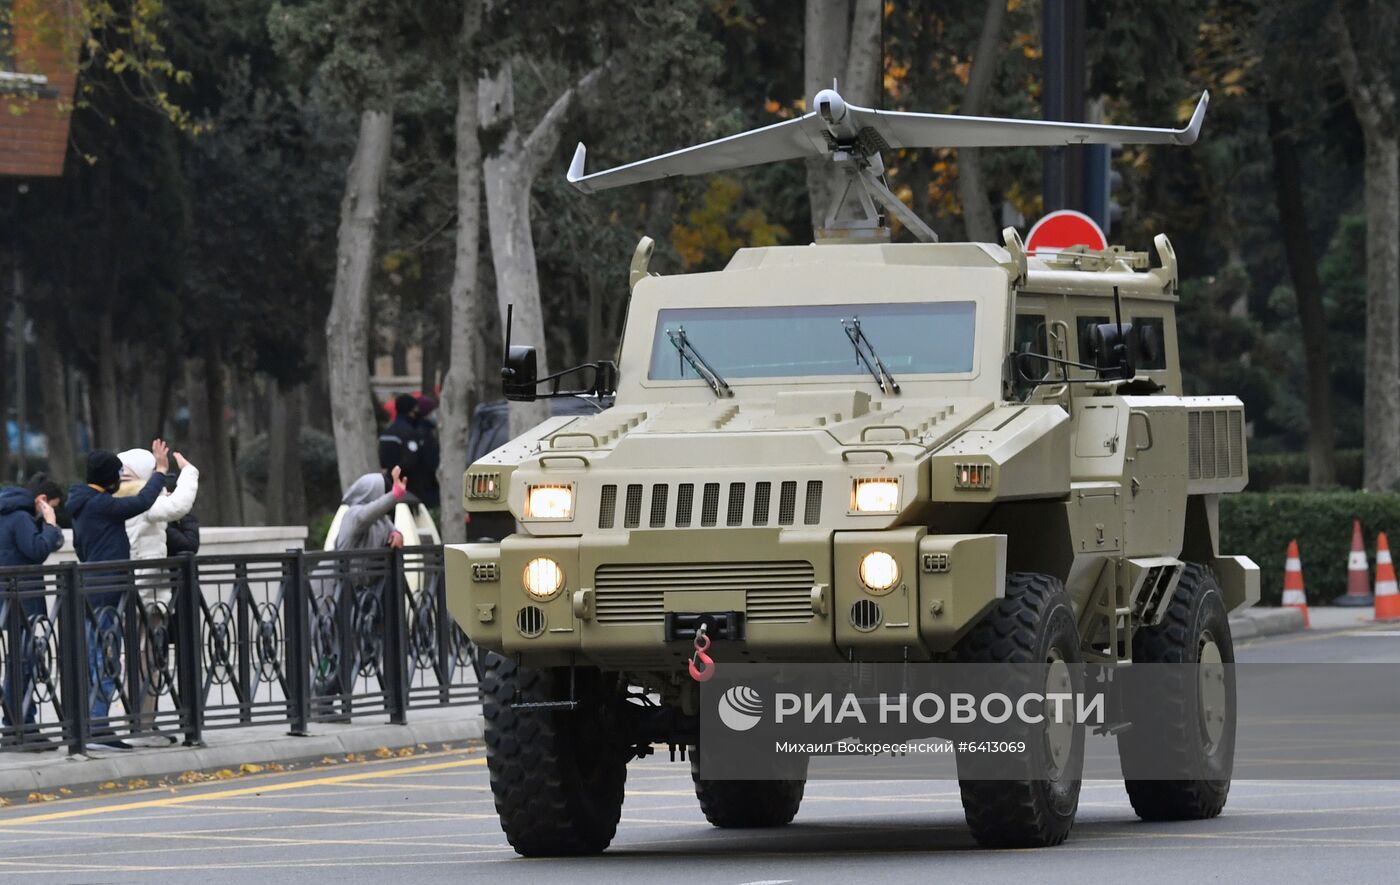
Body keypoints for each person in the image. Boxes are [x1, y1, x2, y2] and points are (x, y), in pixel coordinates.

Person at [68, 442, 169, 749]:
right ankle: (98, 724)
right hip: (107, 591)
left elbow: (80, 548)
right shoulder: (100, 504)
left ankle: (90, 723)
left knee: (96, 656)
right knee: (107, 657)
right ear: (108, 478)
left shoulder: (81, 505)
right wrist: (161, 471)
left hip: (91, 588)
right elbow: (140, 502)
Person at [115, 448, 199, 746]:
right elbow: (179, 506)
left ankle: (137, 723)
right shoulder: (143, 498)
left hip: (128, 589)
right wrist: (189, 471)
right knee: (148, 659)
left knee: (138, 658)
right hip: (147, 592)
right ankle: (143, 726)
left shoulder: (118, 496)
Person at [0, 473, 65, 749]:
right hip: (21, 598)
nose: (51, 511)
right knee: (23, 662)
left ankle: (18, 724)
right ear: (41, 500)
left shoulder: (7, 512)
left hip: (8, 597)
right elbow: (36, 549)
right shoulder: (21, 518)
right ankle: (21, 726)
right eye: (52, 505)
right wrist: (50, 525)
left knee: (19, 660)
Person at [378, 394, 440, 507]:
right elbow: (410, 459)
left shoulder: (386, 433)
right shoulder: (409, 433)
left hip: (389, 486)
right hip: (410, 488)